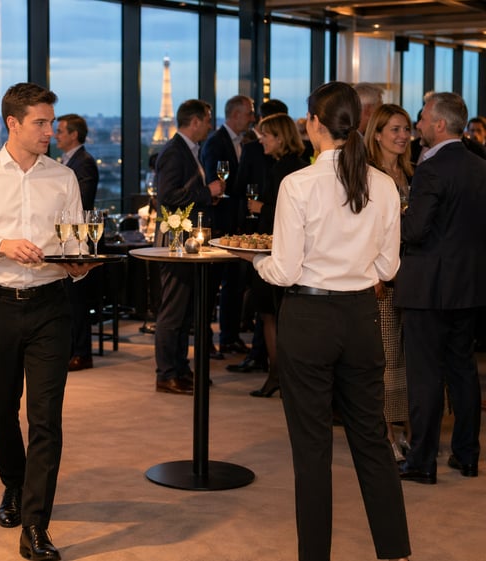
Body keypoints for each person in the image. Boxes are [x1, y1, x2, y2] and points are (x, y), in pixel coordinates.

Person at [237, 82, 411, 561]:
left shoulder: (298, 183)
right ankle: (395, 552)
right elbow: (388, 268)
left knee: (311, 450)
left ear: (314, 122)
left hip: (309, 318)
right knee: (371, 441)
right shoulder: (382, 183)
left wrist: (255, 261)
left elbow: (286, 269)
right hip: (360, 316)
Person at [0, 82, 98, 561]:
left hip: (52, 307)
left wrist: (80, 262)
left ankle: (35, 526)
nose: (51, 130)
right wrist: (0, 246)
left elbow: (74, 244)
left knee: (46, 419)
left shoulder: (63, 178)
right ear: (13, 124)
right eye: (41, 123)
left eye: (52, 122)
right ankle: (14, 482)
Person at [395, 92, 486, 484]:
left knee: (425, 375)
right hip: (469, 286)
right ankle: (467, 456)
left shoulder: (432, 169)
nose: (417, 125)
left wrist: (391, 220)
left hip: (428, 287)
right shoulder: (480, 166)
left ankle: (422, 461)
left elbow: (415, 230)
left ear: (439, 125)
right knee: (463, 370)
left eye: (422, 119)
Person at [155, 99, 223, 394]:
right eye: (207, 120)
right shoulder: (174, 152)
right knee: (173, 311)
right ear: (194, 121)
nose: (210, 126)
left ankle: (181, 369)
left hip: (189, 240)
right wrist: (207, 192)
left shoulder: (188, 150)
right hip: (176, 241)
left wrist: (207, 197)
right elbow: (168, 195)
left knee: (184, 312)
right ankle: (166, 374)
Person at [244, 112, 308, 398]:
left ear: (280, 138)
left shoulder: (287, 169)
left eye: (265, 136)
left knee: (272, 315)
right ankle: (279, 375)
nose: (261, 141)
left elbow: (291, 214)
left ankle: (277, 375)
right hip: (281, 247)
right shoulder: (288, 164)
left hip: (278, 249)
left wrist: (260, 210)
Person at [365, 104, 414, 461]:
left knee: (407, 361)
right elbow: (364, 231)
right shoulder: (369, 175)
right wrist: (373, 273)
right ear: (377, 133)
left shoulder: (412, 172)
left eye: (406, 128)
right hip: (381, 280)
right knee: (384, 361)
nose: (402, 136)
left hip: (411, 279)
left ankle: (406, 431)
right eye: (395, 129)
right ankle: (386, 436)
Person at [199, 95, 256, 358]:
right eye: (249, 113)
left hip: (238, 224)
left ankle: (230, 337)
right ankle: (207, 339)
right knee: (212, 288)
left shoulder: (245, 142)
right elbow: (214, 183)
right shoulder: (216, 143)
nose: (252, 118)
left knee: (235, 285)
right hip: (220, 223)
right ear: (235, 115)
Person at [55, 113, 99, 371]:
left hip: (77, 239)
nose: (56, 135)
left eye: (60, 131)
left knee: (77, 301)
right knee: (69, 300)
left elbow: (81, 203)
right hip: (67, 237)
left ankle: (82, 353)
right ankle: (72, 348)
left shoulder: (84, 162)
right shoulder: (69, 161)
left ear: (74, 134)